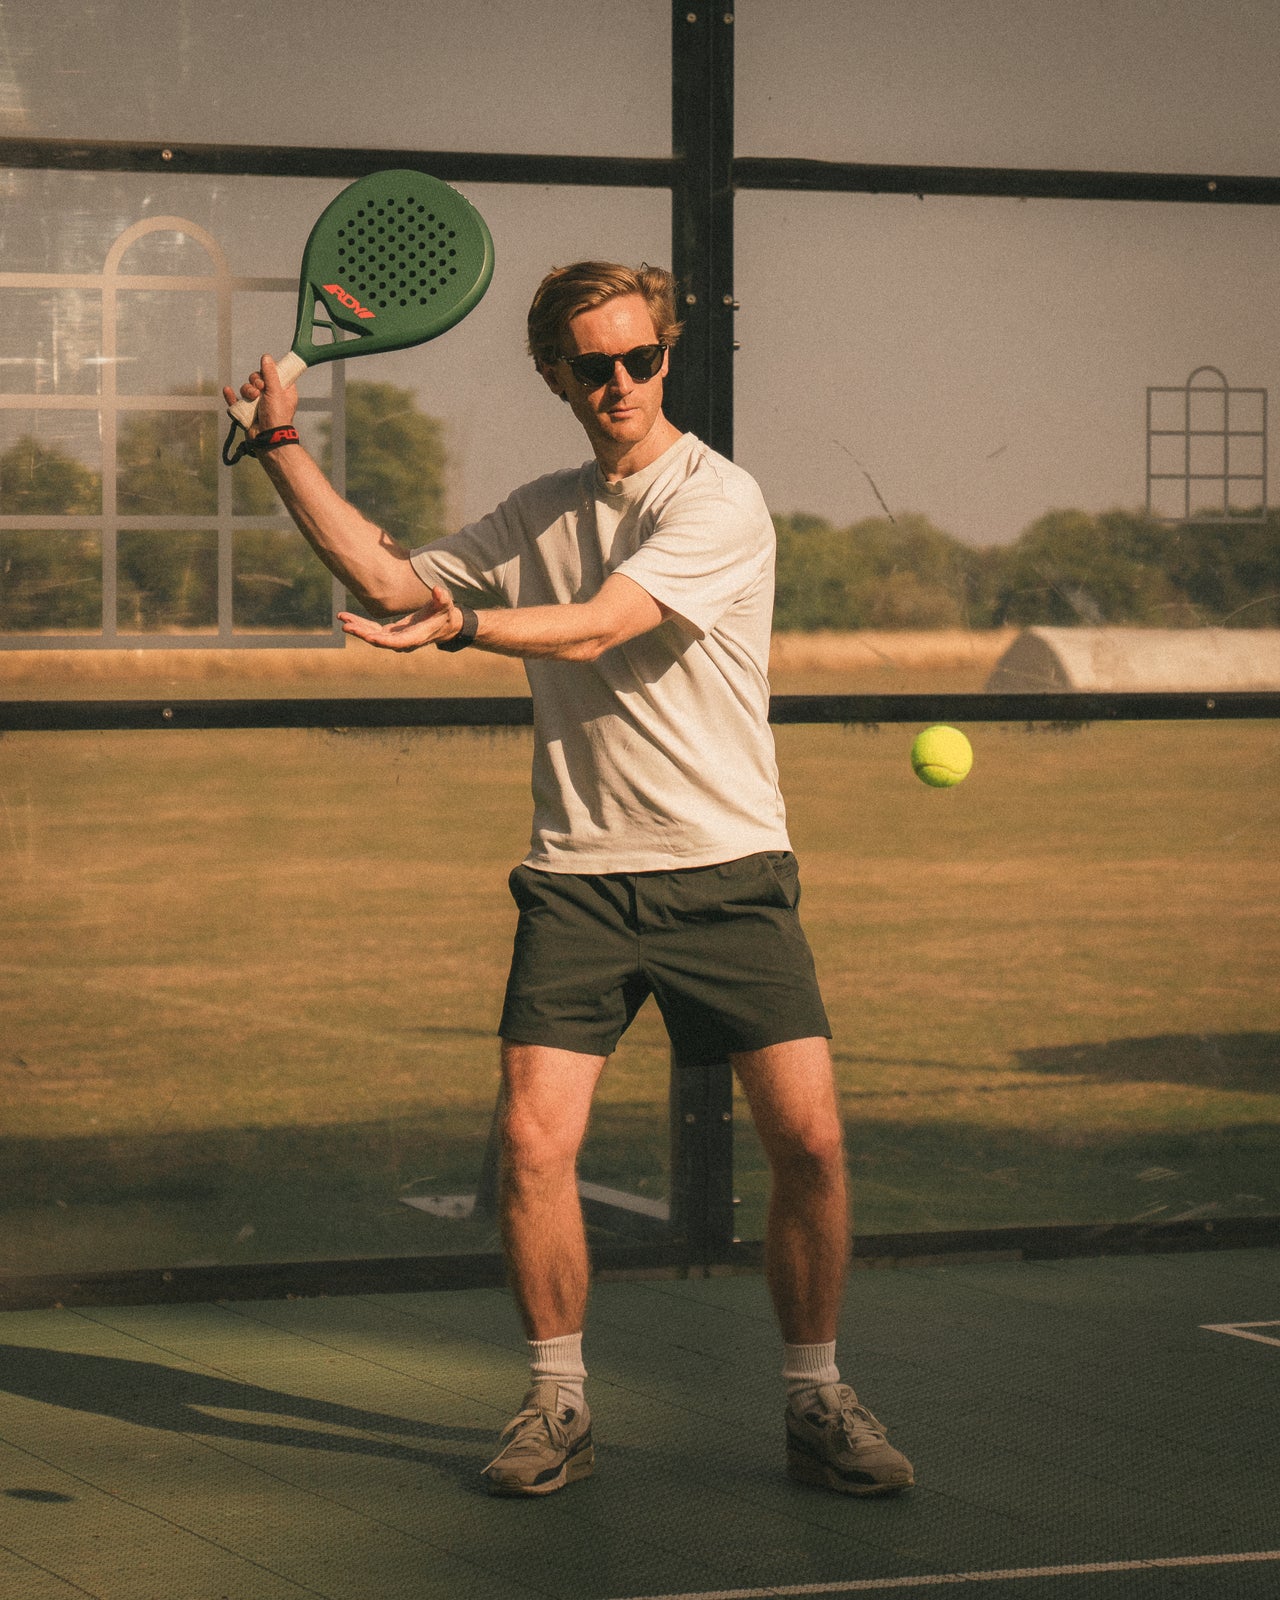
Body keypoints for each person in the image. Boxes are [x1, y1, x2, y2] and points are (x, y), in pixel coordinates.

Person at [223, 260, 913, 1500]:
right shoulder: (537, 509)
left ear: (667, 355)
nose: (620, 384)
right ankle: (557, 1404)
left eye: (640, 357)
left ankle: (816, 1396)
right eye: (591, 365)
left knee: (809, 1142)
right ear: (554, 374)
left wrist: (464, 626)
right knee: (533, 1145)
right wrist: (278, 443)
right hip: (578, 883)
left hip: (726, 869)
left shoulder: (720, 498)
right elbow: (391, 581)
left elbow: (599, 623)